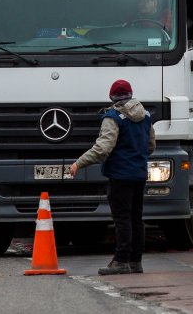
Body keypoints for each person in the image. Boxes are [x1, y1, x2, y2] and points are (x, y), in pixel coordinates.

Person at [69, 79, 156, 275]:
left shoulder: (113, 117)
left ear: (112, 97)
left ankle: (120, 260)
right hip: (139, 174)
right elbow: (151, 146)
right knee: (136, 217)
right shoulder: (146, 116)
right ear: (131, 95)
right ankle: (136, 261)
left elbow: (103, 148)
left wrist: (79, 163)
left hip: (120, 175)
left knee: (122, 218)